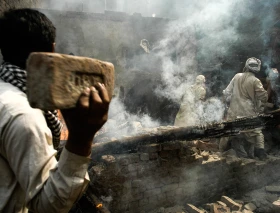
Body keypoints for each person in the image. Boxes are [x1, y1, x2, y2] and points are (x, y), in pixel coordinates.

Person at [0, 8, 110, 212]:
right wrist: (81, 138)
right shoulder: (24, 116)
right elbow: (47, 206)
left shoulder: (5, 90)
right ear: (51, 51)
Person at [223, 57, 268, 160]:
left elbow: (226, 92)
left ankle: (243, 156)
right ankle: (260, 153)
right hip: (248, 112)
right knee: (257, 132)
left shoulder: (237, 76)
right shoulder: (255, 81)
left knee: (236, 135)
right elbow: (263, 97)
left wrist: (228, 103)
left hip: (233, 112)